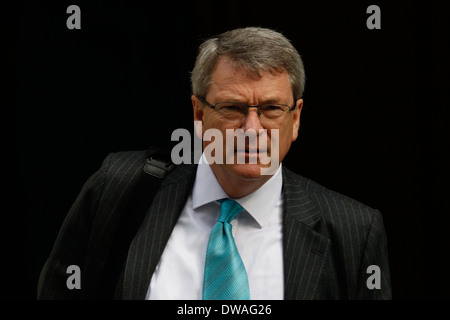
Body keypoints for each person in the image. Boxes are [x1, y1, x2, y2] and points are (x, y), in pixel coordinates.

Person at [37, 27, 392, 300]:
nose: (252, 130)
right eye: (233, 108)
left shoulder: (353, 231)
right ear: (198, 113)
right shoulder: (120, 189)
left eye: (271, 109)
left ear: (295, 119)